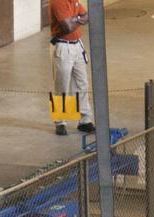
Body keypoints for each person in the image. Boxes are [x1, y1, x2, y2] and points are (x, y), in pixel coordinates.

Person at [49, 0, 95, 136]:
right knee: (62, 86)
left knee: (82, 83)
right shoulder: (58, 2)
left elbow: (88, 15)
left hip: (77, 45)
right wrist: (79, 19)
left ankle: (84, 120)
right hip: (63, 47)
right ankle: (60, 122)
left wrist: (75, 19)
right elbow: (67, 27)